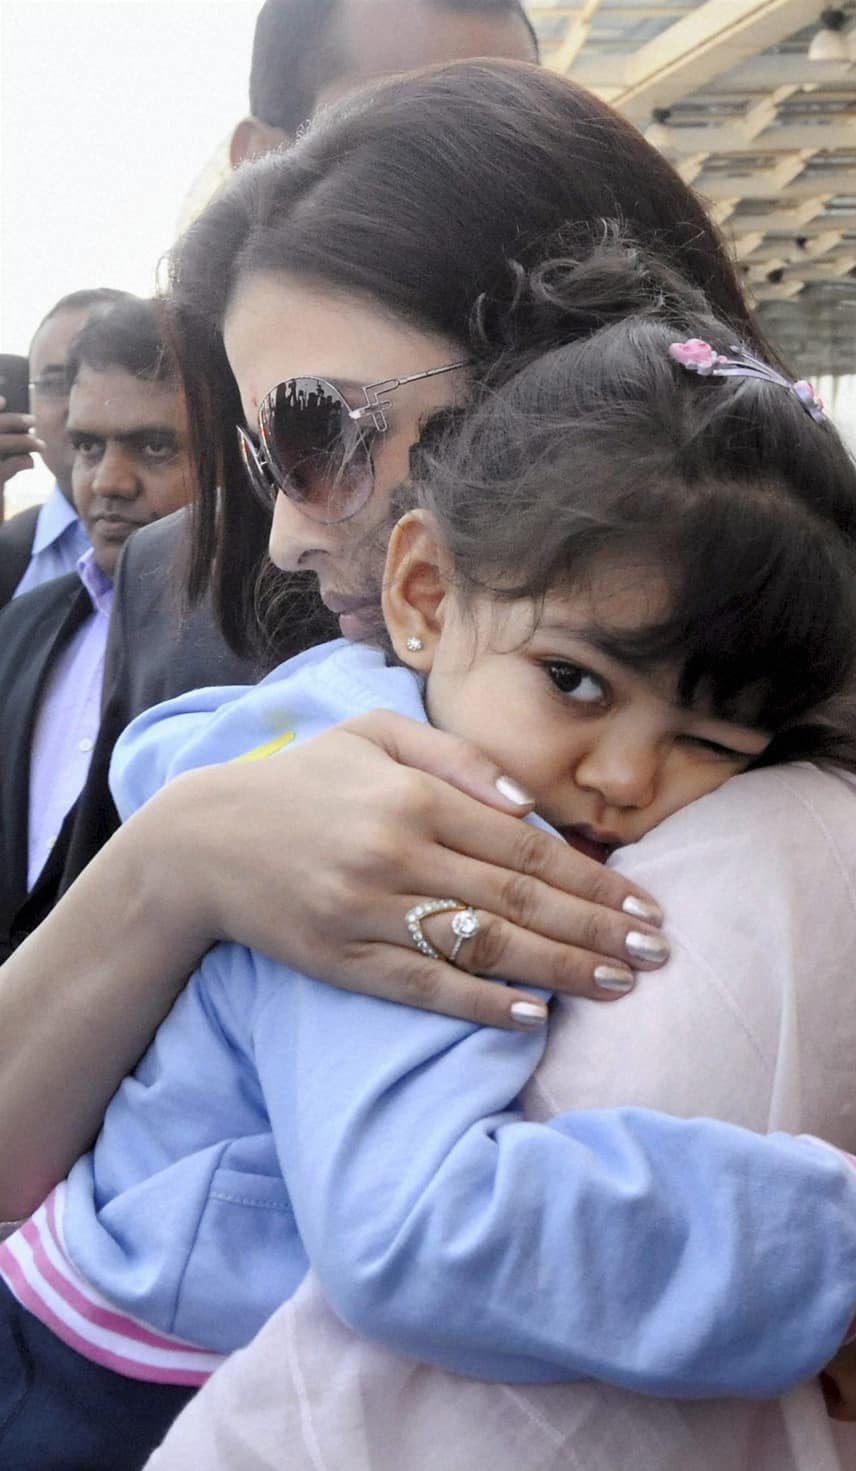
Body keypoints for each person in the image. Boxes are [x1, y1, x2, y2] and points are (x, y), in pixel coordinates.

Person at [0, 64, 856, 1458]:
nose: (285, 535)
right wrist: (177, 863)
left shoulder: (758, 855)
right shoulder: (375, 773)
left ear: (562, 393)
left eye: (319, 430)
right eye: (264, 449)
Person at [5, 0, 541, 948]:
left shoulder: (708, 562)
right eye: (294, 437)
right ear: (266, 162)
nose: (486, 182)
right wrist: (177, 862)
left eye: (520, 128)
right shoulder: (170, 585)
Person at [0, 299, 195, 960]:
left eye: (154, 445)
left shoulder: (263, 654)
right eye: (87, 446)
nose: (108, 481)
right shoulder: (24, 625)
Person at [0, 288, 131, 608]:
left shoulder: (220, 548)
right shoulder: (9, 556)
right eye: (56, 383)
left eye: (100, 379)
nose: (78, 406)